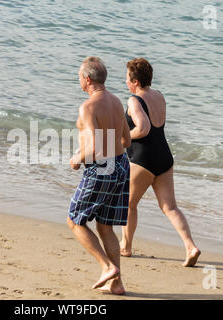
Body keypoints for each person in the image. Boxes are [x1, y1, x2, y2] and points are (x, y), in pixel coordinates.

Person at [120, 58, 201, 267]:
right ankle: (190, 246)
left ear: (135, 81)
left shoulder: (134, 100)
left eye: (127, 78)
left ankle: (126, 247)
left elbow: (144, 128)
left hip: (143, 160)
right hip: (164, 157)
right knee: (170, 207)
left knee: (128, 204)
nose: (126, 82)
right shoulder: (159, 96)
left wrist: (124, 139)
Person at [67, 56, 131, 295]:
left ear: (86, 79)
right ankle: (117, 283)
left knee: (74, 220)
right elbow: (127, 140)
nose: (79, 82)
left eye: (79, 78)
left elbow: (94, 148)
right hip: (122, 165)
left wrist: (76, 159)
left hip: (102, 167)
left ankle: (106, 267)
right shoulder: (116, 101)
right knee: (105, 226)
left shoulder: (88, 107)